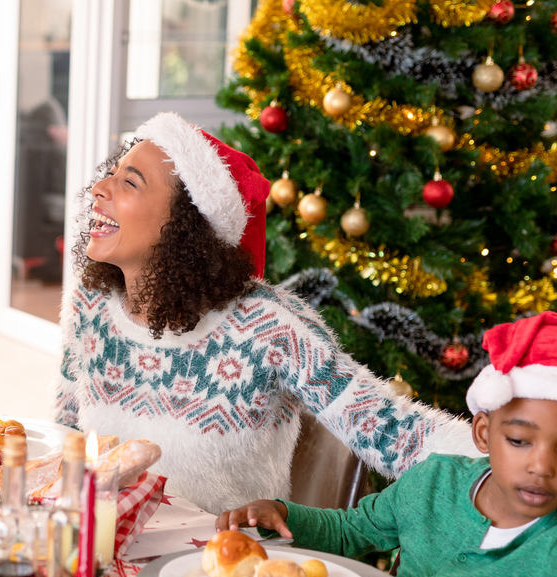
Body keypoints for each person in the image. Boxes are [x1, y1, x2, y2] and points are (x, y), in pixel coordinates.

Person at [55, 111, 476, 514]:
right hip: (107, 546)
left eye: (130, 182)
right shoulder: (89, 304)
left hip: (223, 569)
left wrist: (503, 456)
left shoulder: (269, 328)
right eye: (111, 173)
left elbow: (388, 430)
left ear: (186, 223)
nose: (99, 188)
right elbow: (68, 431)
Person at [217, 312, 557, 577]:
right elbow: (350, 532)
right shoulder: (433, 482)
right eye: (518, 441)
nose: (542, 466)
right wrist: (283, 514)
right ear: (483, 434)